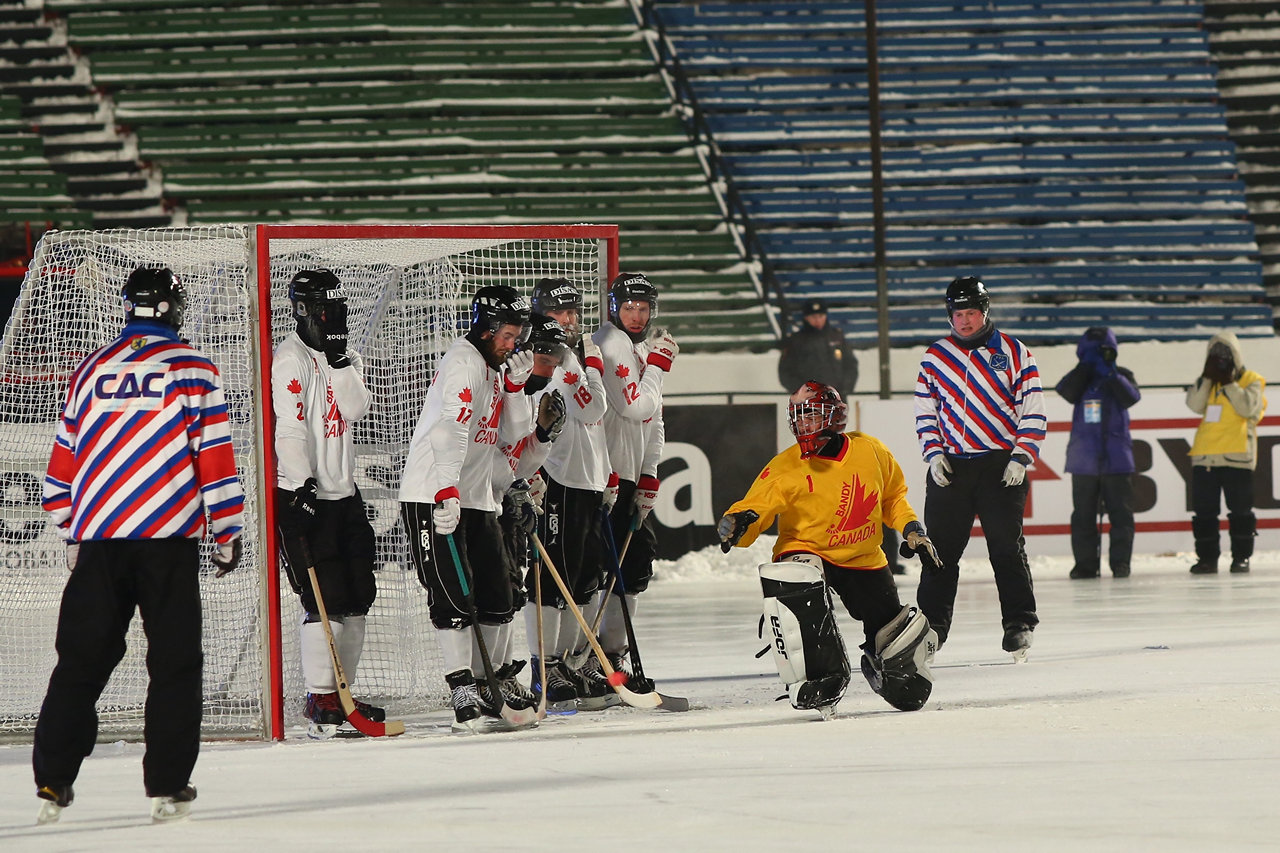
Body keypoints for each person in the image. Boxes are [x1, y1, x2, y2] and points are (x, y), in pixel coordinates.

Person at [34, 266, 245, 824]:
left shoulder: (91, 368)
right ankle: (168, 785)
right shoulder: (194, 368)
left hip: (101, 538)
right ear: (174, 307)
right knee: (174, 663)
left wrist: (72, 529)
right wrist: (226, 532)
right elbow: (215, 462)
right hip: (167, 542)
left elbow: (60, 471)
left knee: (79, 662)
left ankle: (53, 780)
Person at [717, 381, 940, 716]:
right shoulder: (785, 466)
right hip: (807, 552)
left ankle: (887, 668)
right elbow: (756, 508)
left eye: (811, 415)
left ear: (834, 416)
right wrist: (738, 523)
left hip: (863, 559)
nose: (802, 424)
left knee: (909, 688)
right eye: (798, 416)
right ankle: (821, 676)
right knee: (796, 575)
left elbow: (893, 498)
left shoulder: (871, 451)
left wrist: (912, 530)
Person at [398, 285, 538, 730]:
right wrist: (446, 491)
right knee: (454, 596)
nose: (512, 343)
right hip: (434, 493)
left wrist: (516, 386)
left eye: (517, 335)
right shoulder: (464, 363)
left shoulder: (494, 369)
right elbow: (448, 433)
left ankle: (489, 679)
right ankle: (462, 687)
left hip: (477, 495)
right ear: (484, 328)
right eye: (506, 334)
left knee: (498, 594)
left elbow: (512, 433)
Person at [272, 269, 383, 738]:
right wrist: (299, 485)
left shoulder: (343, 355)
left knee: (358, 596)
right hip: (305, 493)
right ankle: (320, 702)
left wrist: (340, 360)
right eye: (322, 310)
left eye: (336, 309)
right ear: (302, 311)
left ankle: (343, 694)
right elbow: (291, 426)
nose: (330, 318)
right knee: (325, 601)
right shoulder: (289, 359)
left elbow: (357, 408)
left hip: (345, 493)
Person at [912, 276, 1046, 660]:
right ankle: (931, 628)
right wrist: (934, 454)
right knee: (938, 552)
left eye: (972, 312)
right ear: (949, 315)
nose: (965, 321)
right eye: (958, 313)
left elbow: (1032, 409)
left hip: (999, 466)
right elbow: (926, 411)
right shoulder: (935, 357)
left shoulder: (1015, 352)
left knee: (1006, 547)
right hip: (952, 467)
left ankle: (1019, 623)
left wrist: (1021, 456)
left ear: (985, 311)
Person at [522, 280, 613, 710]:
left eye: (575, 312)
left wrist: (607, 473)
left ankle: (569, 662)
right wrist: (592, 364)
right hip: (557, 478)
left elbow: (593, 425)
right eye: (563, 312)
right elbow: (593, 408)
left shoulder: (571, 354)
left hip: (587, 479)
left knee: (582, 577)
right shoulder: (545, 354)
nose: (572, 320)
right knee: (550, 577)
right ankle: (545, 666)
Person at [590, 272, 678, 690]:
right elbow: (634, 407)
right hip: (605, 475)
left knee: (634, 567)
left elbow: (655, 418)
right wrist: (659, 369)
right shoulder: (612, 344)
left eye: (643, 309)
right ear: (614, 307)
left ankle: (612, 656)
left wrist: (650, 473)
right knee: (598, 572)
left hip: (629, 474)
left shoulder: (637, 347)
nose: (637, 315)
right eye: (628, 307)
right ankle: (585, 658)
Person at [1056, 327, 1141, 579]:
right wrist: (1086, 367)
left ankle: (1120, 564)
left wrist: (1111, 372)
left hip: (1116, 461)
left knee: (1121, 516)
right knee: (1083, 516)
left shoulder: (1122, 375)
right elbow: (1066, 392)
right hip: (1084, 461)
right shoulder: (1079, 378)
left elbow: (1131, 397)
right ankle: (1085, 565)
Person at [1186, 331, 1267, 574]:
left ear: (1236, 355)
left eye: (1225, 353)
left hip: (1237, 456)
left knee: (1241, 512)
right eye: (1215, 354)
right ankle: (1207, 560)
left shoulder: (1251, 379)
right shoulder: (1208, 380)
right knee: (1204, 514)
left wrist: (1229, 382)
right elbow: (1194, 405)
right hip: (1205, 457)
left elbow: (1248, 408)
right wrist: (1206, 377)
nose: (1220, 359)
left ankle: (1241, 558)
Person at [777, 298, 858, 398]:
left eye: (821, 316)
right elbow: (785, 372)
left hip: (836, 399)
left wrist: (845, 388)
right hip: (808, 402)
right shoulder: (796, 341)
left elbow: (850, 365)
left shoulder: (837, 337)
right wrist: (803, 391)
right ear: (806, 318)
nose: (818, 320)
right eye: (813, 317)